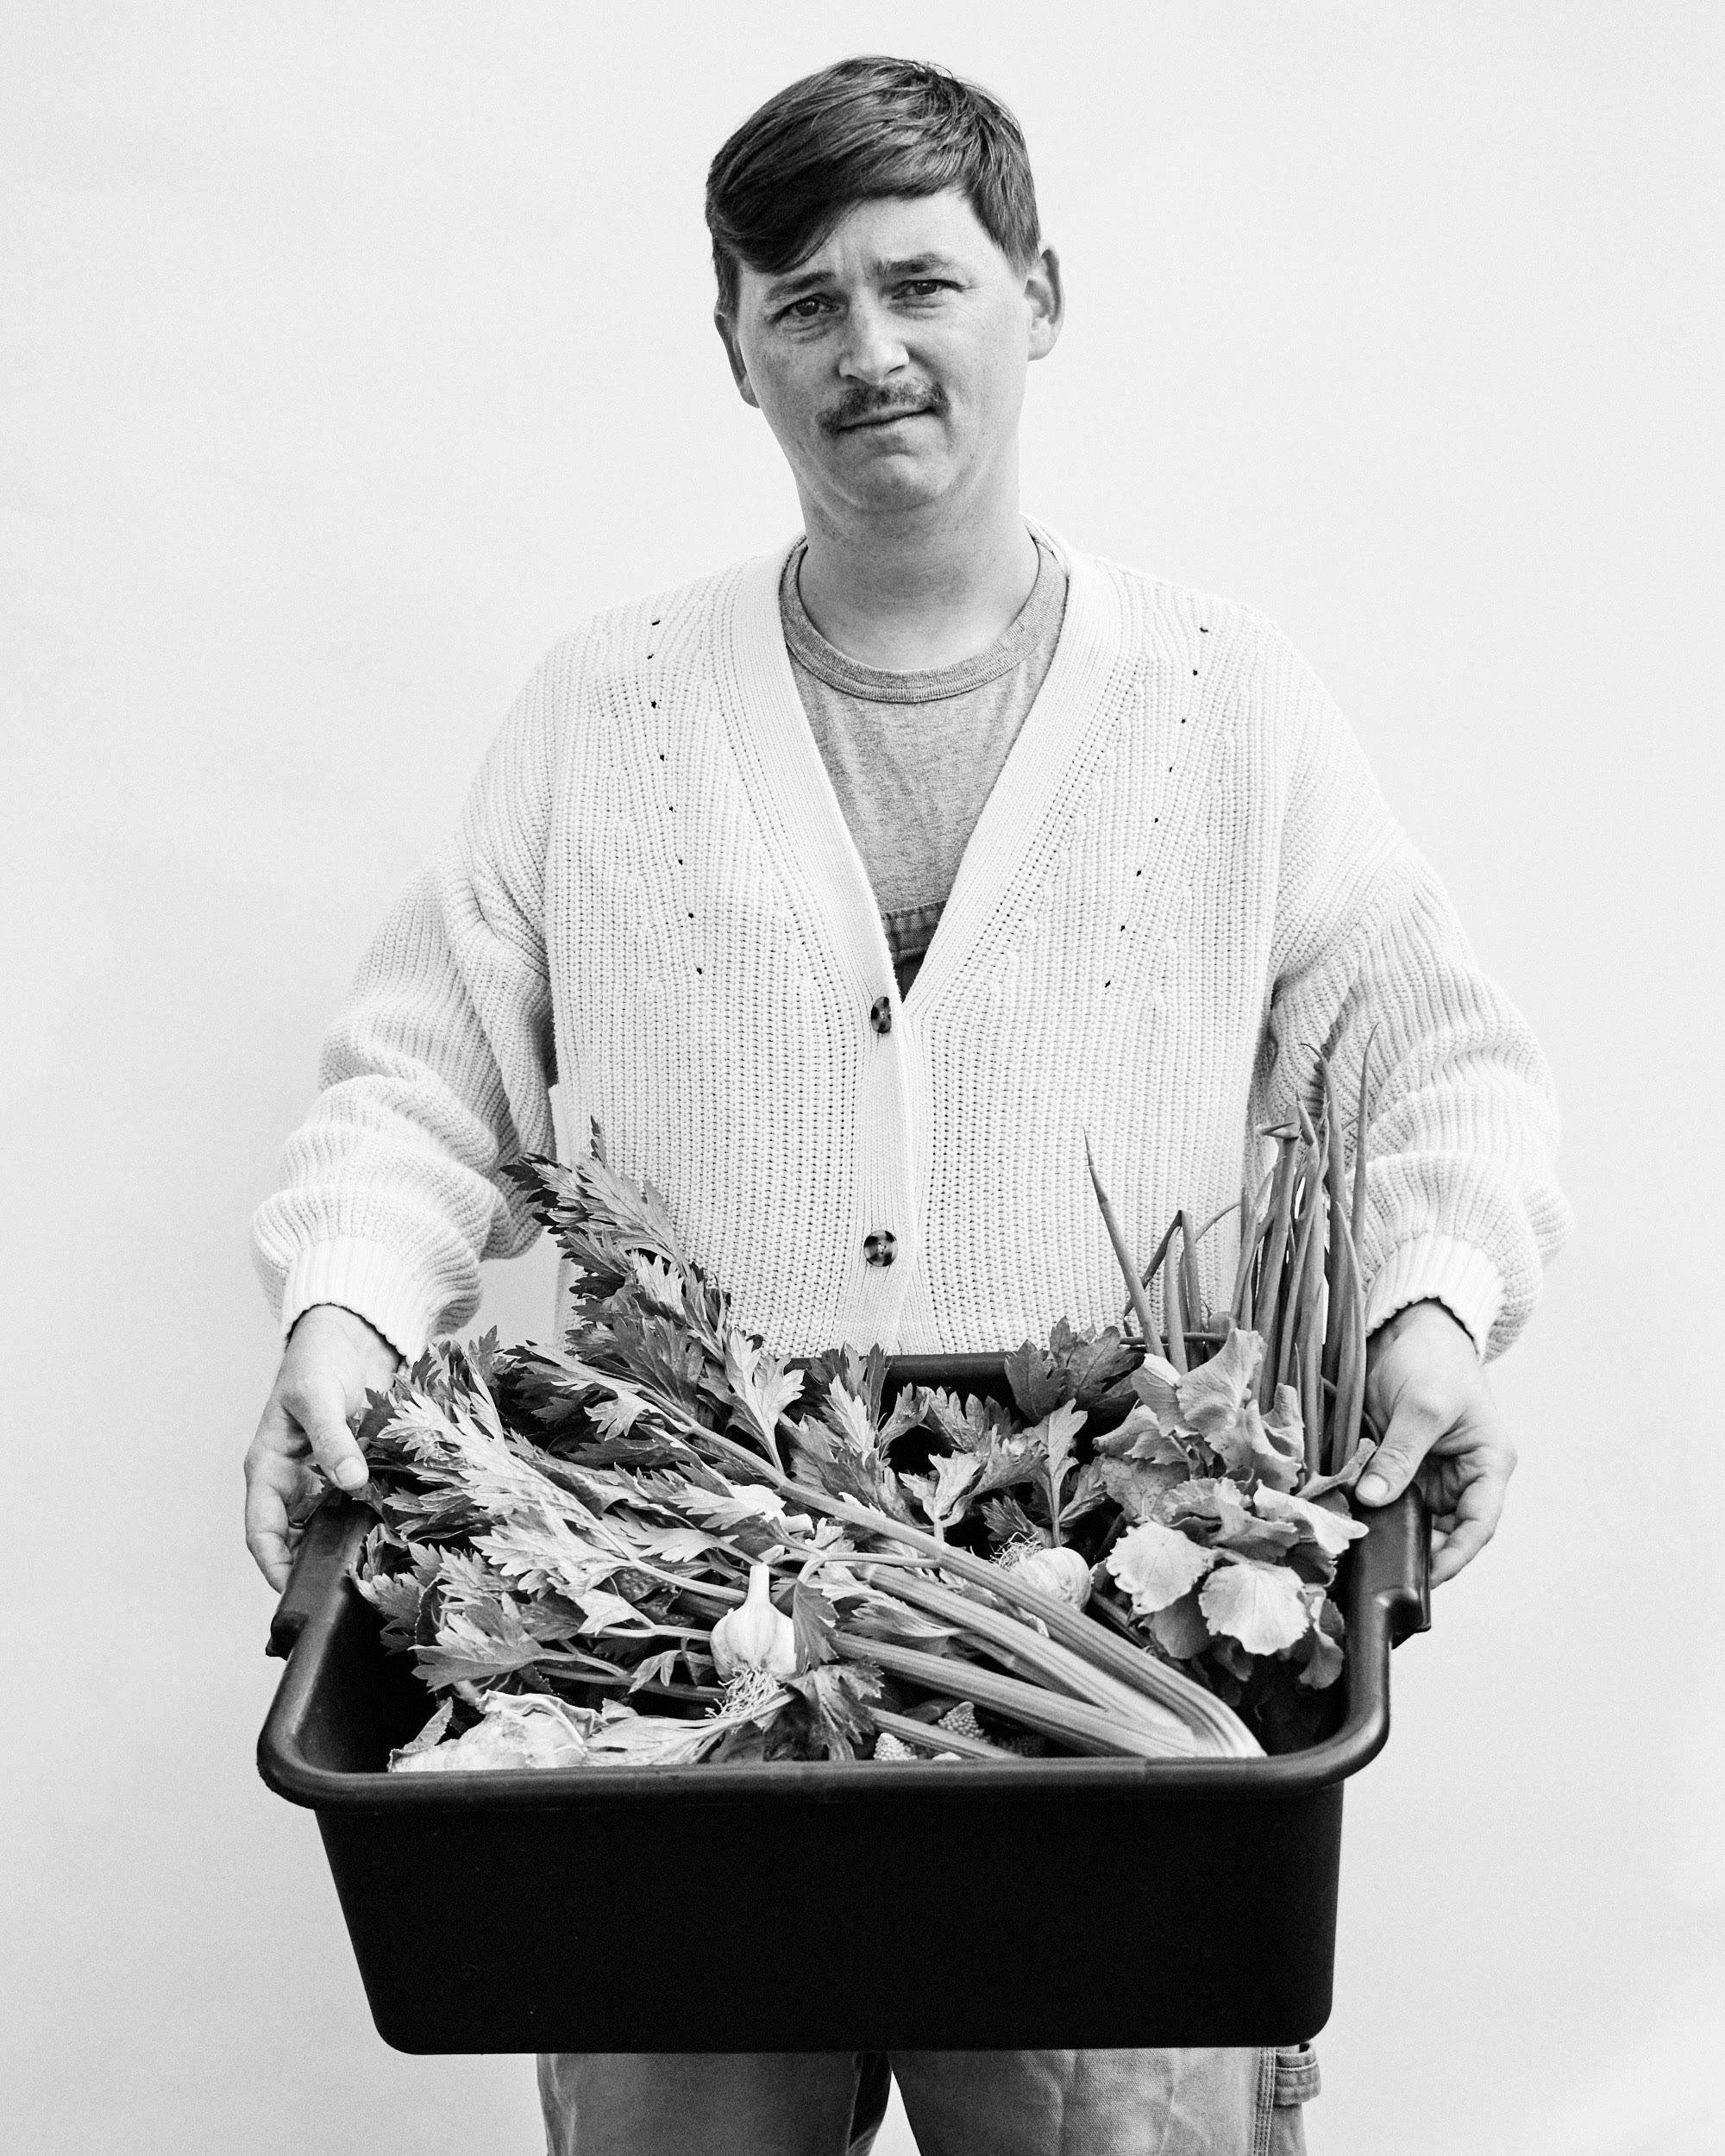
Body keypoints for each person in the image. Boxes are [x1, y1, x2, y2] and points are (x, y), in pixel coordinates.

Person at [245, 54, 1570, 2156]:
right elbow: (423, 1079)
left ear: (1037, 296)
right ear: (733, 350)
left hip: (1098, 1622)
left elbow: (1435, 1059)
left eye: (920, 281)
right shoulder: (604, 709)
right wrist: (340, 1310)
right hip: (686, 1662)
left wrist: (1430, 1305)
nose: (866, 347)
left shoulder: (1221, 698)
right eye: (802, 302)